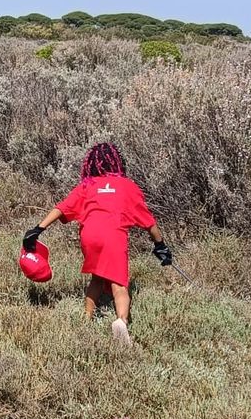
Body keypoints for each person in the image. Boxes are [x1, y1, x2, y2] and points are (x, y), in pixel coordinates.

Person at [22, 142, 172, 348]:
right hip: (113, 236)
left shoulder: (88, 186)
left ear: (91, 164)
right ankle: (122, 322)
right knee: (119, 285)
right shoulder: (128, 186)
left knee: (98, 277)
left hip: (89, 236)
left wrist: (37, 229)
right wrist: (160, 245)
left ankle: (86, 318)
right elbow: (149, 222)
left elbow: (61, 208)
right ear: (117, 162)